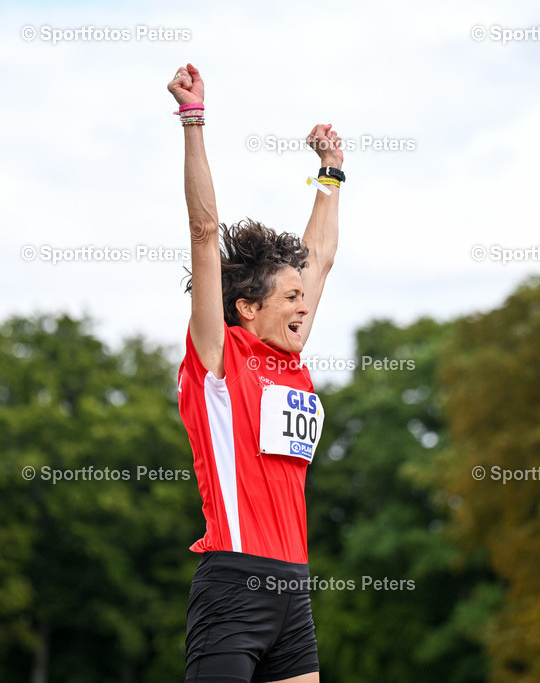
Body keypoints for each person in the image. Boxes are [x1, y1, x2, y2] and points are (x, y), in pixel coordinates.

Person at [168, 63, 343, 683]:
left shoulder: (291, 362)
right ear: (248, 308)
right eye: (290, 297)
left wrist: (330, 173)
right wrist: (193, 121)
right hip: (233, 589)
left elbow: (319, 257)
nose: (304, 304)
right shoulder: (220, 358)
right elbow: (204, 232)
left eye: (305, 296)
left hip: (293, 593)